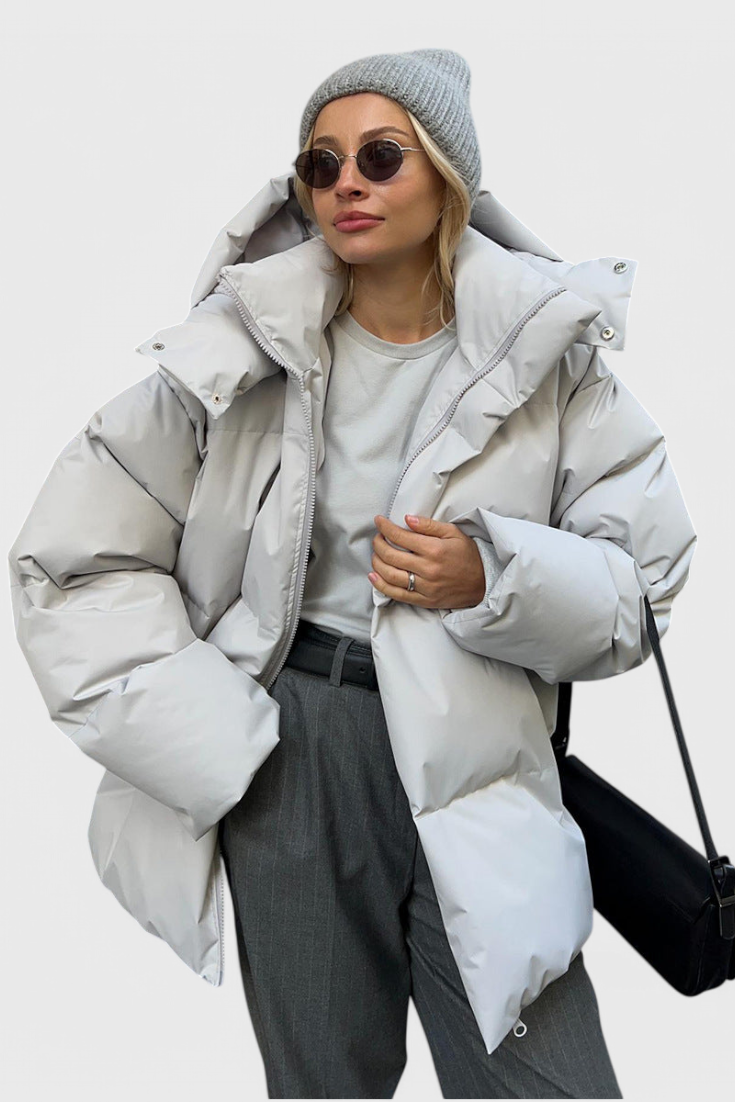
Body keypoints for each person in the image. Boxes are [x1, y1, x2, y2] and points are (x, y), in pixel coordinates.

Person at [8, 48, 697, 1099]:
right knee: (325, 1084)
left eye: (380, 156)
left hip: (480, 743)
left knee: (550, 1080)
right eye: (320, 164)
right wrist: (209, 726)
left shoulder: (552, 362)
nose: (346, 185)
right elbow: (73, 557)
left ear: (448, 181)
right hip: (295, 753)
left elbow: (641, 587)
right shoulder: (237, 354)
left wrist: (492, 575)